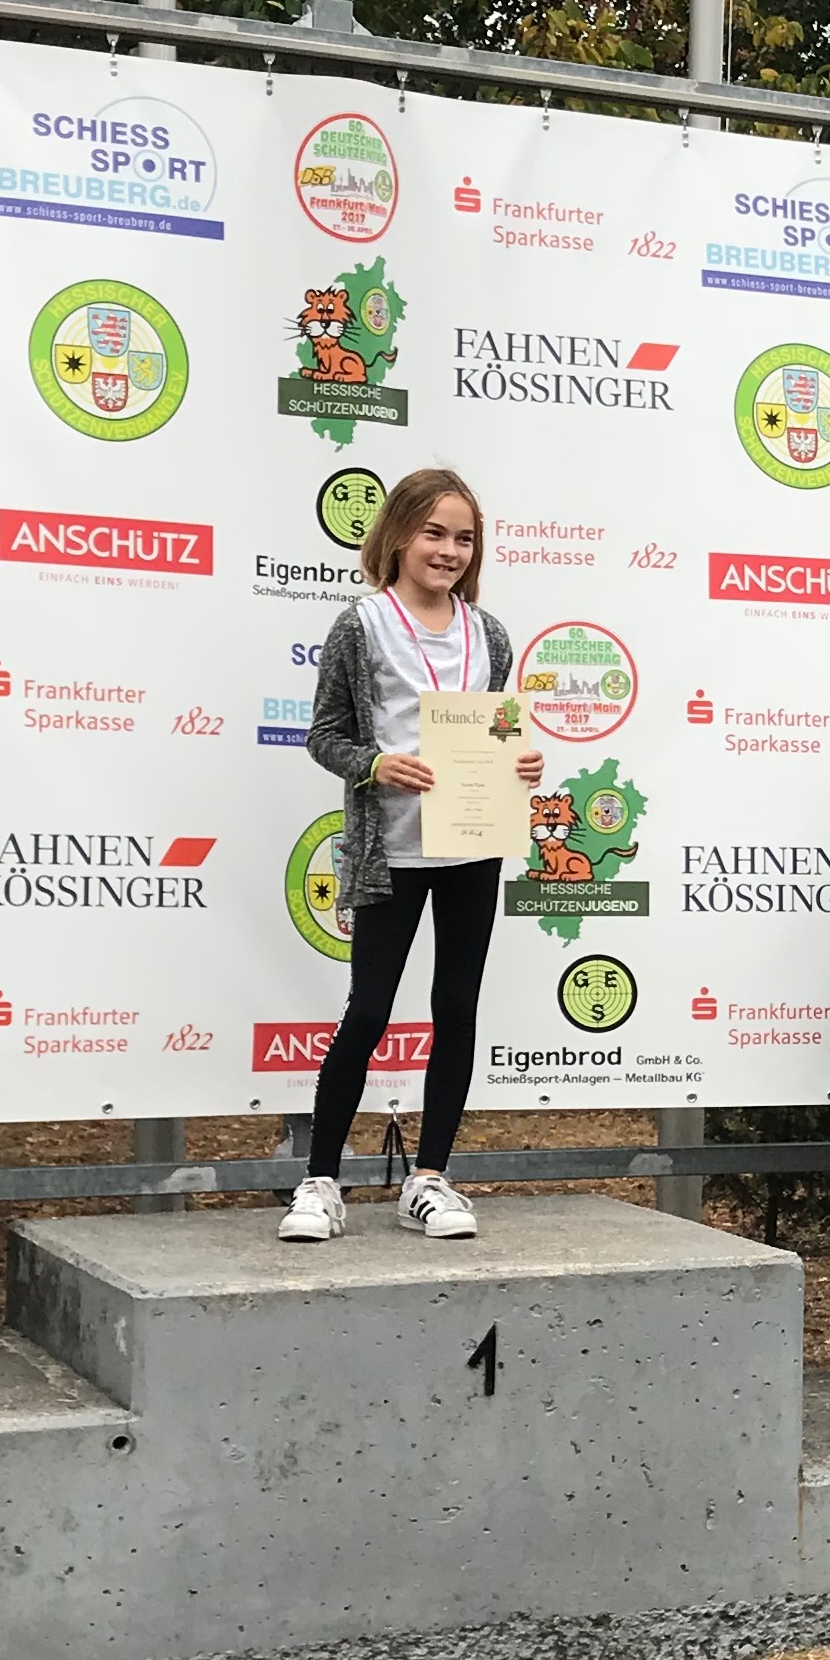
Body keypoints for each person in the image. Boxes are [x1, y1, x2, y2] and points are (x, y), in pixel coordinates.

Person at [284, 469, 544, 1242]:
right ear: (398, 534)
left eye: (463, 538)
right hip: (389, 851)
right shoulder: (360, 626)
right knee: (368, 1010)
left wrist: (520, 763)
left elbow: (496, 732)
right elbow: (324, 736)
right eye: (434, 533)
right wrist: (376, 764)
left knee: (455, 1008)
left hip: (472, 847)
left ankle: (429, 1179)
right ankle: (320, 1181)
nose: (449, 551)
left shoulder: (489, 633)